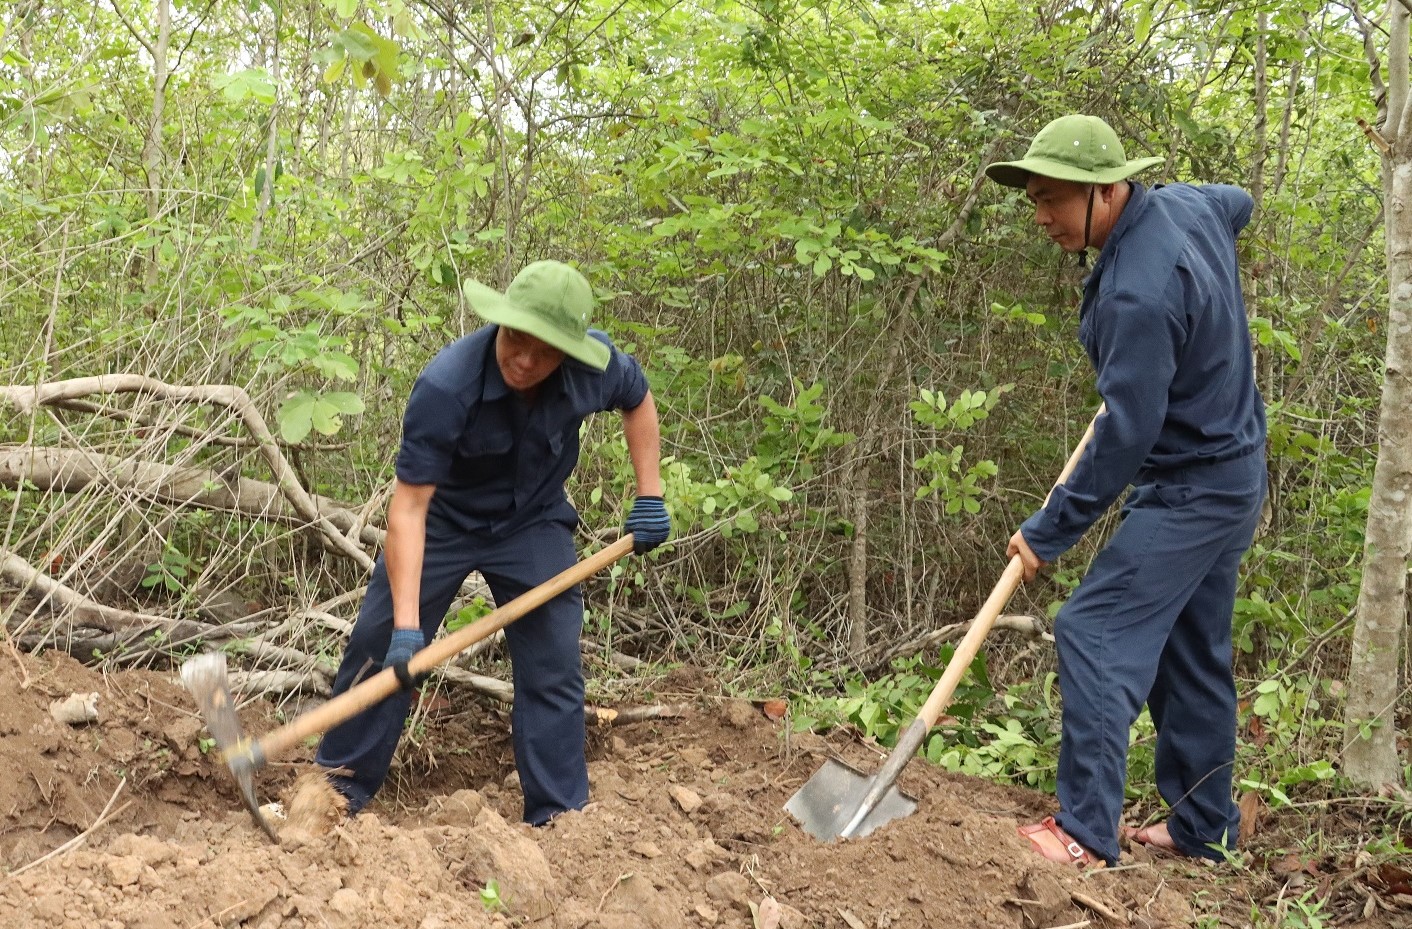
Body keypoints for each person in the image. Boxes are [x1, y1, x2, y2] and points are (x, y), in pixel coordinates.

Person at [984, 115, 1267, 866]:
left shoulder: (1135, 298)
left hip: (1194, 486)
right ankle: (1204, 825)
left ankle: (1080, 830)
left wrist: (1049, 529)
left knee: (1094, 628)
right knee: (1190, 650)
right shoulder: (1187, 205)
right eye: (1035, 199)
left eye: (1054, 199)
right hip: (1233, 473)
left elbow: (1126, 433)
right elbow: (1237, 200)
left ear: (1108, 190)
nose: (1041, 216)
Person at [314, 259, 671, 826]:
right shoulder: (447, 384)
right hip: (443, 522)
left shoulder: (593, 367)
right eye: (516, 341)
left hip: (533, 521)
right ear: (499, 323)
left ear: (569, 351)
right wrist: (409, 629)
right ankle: (335, 795)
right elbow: (408, 508)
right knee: (381, 646)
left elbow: (639, 399)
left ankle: (559, 817)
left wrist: (649, 494)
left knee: (554, 662)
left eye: (544, 352)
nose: (525, 361)